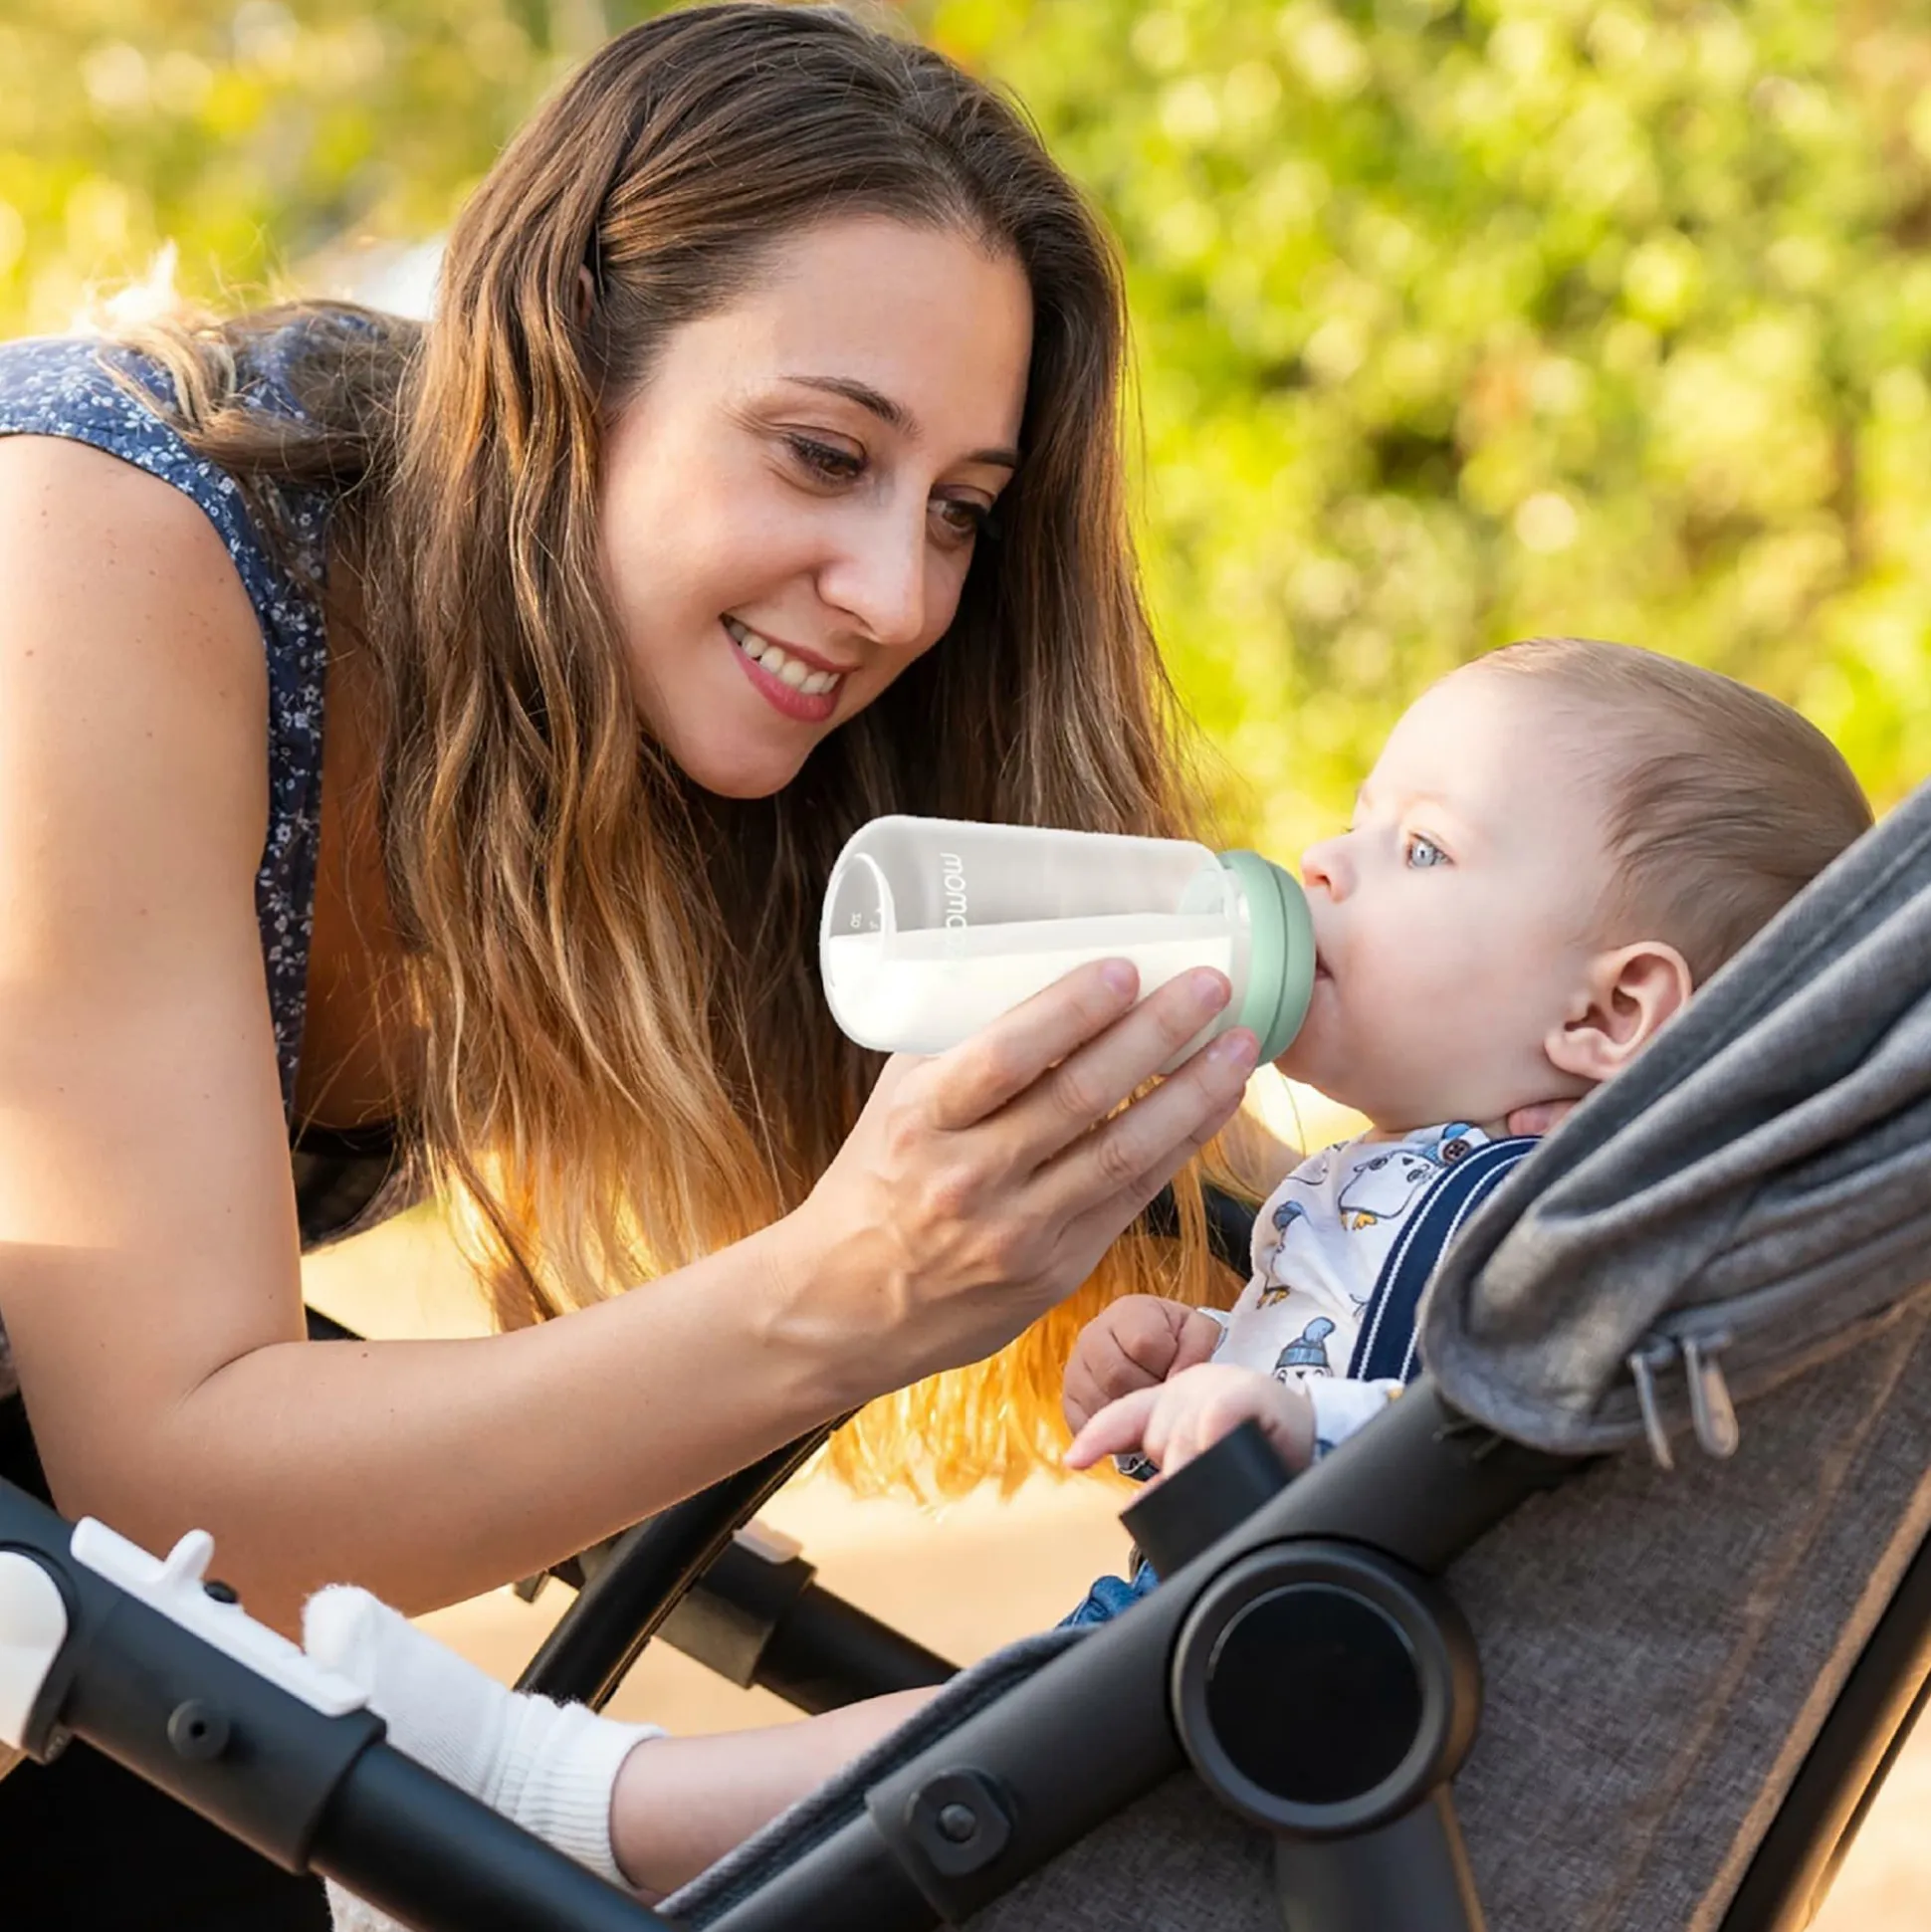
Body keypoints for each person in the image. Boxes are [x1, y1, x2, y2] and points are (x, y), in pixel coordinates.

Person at [0, 6, 1270, 1924]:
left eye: (960, 512)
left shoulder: (646, 715)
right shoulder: (107, 552)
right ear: (559, 376)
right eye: (825, 452)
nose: (904, 595)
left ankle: (660, 1802)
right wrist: (846, 1292)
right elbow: (175, 1494)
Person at [307, 636, 1874, 1921]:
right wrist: (1219, 1342)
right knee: (984, 1726)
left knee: (976, 1735)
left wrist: (1279, 1415)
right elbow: (1419, 1380)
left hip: (1282, 1692)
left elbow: (1506, 1448)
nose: (1323, 864)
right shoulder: (1415, 1184)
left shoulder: (1544, 1223)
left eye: (1419, 849)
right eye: (1360, 820)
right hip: (1245, 1654)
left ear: (1610, 1018)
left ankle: (554, 1803)